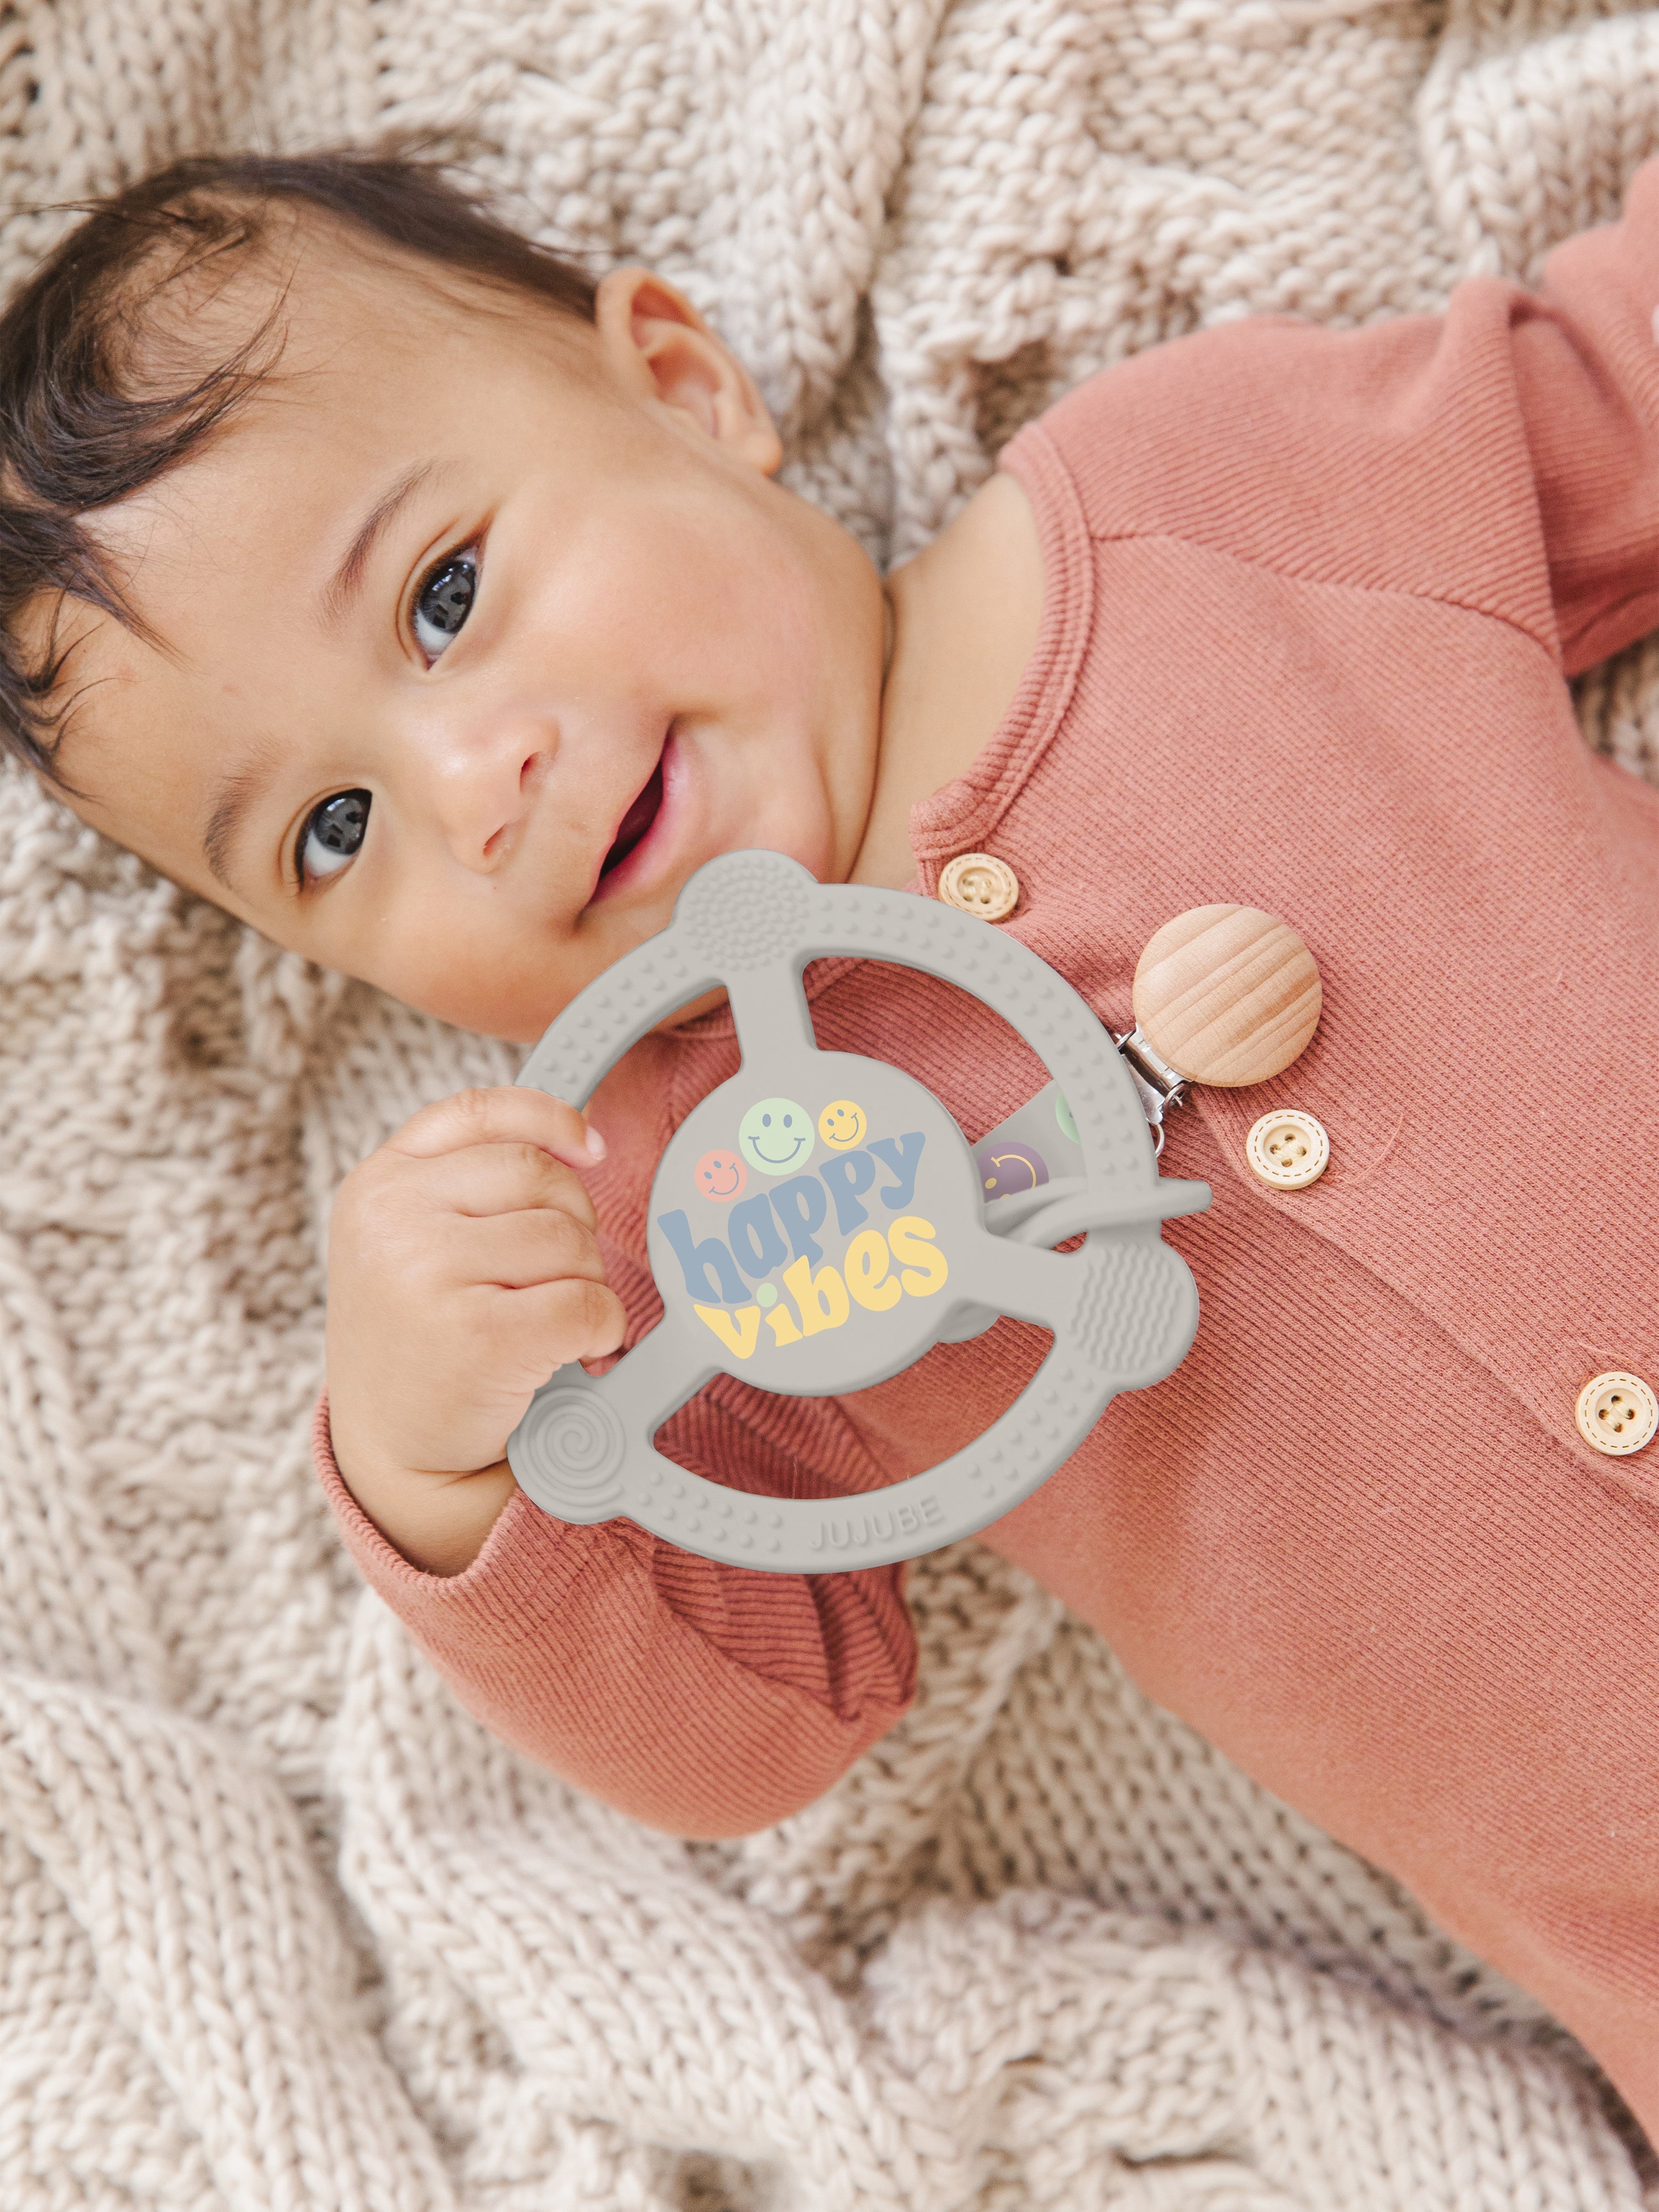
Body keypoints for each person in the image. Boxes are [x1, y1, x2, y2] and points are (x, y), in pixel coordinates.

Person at [2, 150, 1657, 2143]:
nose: (469, 784)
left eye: (447, 595)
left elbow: (1607, 390)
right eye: (330, 835)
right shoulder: (679, 1226)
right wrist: (443, 1463)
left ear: (687, 389)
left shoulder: (1193, 503)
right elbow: (751, 1717)